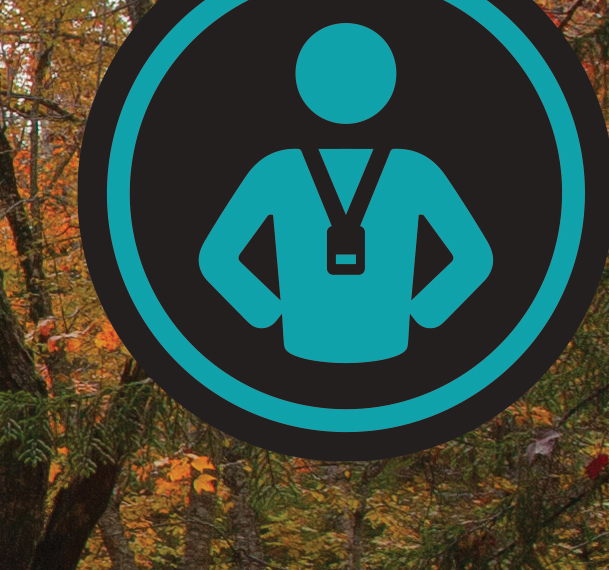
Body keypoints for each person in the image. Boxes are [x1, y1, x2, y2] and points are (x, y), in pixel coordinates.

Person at [198, 23, 491, 365]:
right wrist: (423, 313)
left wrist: (268, 314)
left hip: (304, 338)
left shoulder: (276, 170)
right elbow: (475, 258)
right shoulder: (414, 169)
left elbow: (216, 258)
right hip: (387, 338)